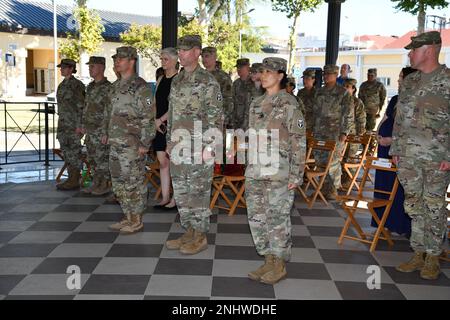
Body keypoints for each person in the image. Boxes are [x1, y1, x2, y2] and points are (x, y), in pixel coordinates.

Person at [391, 31, 450, 280]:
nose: (410, 53)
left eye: (414, 49)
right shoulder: (410, 81)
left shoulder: (447, 80)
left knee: (434, 206)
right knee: (414, 205)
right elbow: (400, 118)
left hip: (437, 158)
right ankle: (418, 252)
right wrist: (395, 149)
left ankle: (433, 257)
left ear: (429, 50)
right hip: (408, 157)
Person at [246, 57, 306, 284]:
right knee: (257, 217)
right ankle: (268, 259)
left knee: (277, 218)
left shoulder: (289, 104)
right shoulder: (256, 103)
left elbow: (298, 141)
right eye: (261, 71)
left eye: (269, 72)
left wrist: (296, 174)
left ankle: (279, 264)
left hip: (279, 172)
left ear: (280, 76)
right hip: (255, 170)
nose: (263, 75)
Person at [165, 35, 223, 255]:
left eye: (185, 50)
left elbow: (216, 118)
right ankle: (189, 230)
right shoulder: (178, 80)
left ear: (197, 52)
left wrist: (209, 147)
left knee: (198, 193)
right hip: (179, 146)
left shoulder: (208, 82)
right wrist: (170, 140)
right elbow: (172, 114)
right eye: (179, 50)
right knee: (181, 192)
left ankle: (199, 236)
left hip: (199, 147)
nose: (180, 53)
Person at [103, 46, 155, 234]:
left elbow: (148, 117)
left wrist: (145, 143)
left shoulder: (140, 87)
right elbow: (109, 113)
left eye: (121, 59)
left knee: (133, 180)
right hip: (115, 143)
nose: (117, 62)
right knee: (118, 181)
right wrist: (105, 132)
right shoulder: (115, 86)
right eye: (116, 59)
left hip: (132, 144)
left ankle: (137, 219)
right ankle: (127, 215)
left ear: (132, 61)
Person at [371, 67, 417, 237]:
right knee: (384, 185)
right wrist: (378, 133)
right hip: (384, 149)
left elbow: (411, 131)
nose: (398, 81)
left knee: (397, 189)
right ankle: (384, 223)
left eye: (401, 78)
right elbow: (385, 118)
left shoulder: (414, 101)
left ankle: (399, 224)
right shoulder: (396, 99)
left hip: (398, 149)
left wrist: (391, 140)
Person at [312, 65, 353, 199]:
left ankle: (333, 189)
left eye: (329, 74)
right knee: (319, 160)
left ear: (336, 75)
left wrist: (344, 132)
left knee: (333, 162)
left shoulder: (343, 93)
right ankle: (322, 188)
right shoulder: (319, 92)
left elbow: (348, 114)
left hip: (335, 133)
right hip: (319, 131)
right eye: (325, 74)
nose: (326, 76)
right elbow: (314, 112)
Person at [80, 56, 112, 195]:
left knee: (102, 158)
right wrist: (83, 125)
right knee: (92, 158)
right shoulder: (91, 86)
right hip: (90, 129)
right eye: (89, 66)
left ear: (101, 67)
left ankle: (104, 184)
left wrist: (106, 131)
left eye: (92, 66)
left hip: (100, 129)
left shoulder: (108, 87)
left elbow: (109, 110)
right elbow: (86, 107)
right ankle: (96, 183)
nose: (90, 69)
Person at [153, 48, 179, 210]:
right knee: (163, 162)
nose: (163, 62)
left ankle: (176, 199)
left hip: (174, 125)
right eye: (161, 59)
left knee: (175, 163)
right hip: (159, 125)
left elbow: (176, 106)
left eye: (166, 59)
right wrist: (155, 120)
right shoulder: (161, 79)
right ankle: (165, 197)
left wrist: (162, 120)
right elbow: (156, 102)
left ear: (175, 61)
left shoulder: (179, 80)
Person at [55, 59, 85, 190]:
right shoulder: (62, 85)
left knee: (74, 152)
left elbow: (81, 106)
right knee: (67, 152)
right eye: (61, 67)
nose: (61, 69)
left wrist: (80, 125)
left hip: (73, 125)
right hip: (63, 124)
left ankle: (74, 179)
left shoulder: (77, 85)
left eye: (64, 67)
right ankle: (71, 178)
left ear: (71, 68)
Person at [341, 78, 366, 189]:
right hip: (341, 135)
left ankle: (349, 181)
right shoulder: (340, 100)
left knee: (349, 158)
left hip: (353, 135)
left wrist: (358, 135)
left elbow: (361, 119)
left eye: (347, 87)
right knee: (340, 158)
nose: (345, 89)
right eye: (344, 86)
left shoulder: (357, 102)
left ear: (353, 89)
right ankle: (340, 181)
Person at [202, 47, 233, 131]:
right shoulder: (199, 75)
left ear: (214, 57)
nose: (204, 59)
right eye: (202, 56)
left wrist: (223, 118)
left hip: (216, 121)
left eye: (207, 56)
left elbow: (228, 100)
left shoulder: (223, 77)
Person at [232, 58, 253, 131]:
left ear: (248, 67)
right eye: (238, 67)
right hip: (236, 123)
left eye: (241, 67)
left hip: (249, 123)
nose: (239, 69)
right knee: (235, 142)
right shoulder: (236, 84)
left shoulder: (253, 82)